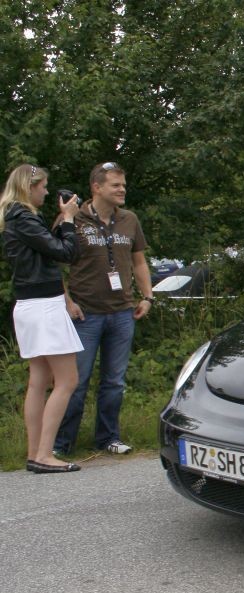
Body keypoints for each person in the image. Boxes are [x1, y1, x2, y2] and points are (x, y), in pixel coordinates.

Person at [54, 161, 154, 456]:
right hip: (85, 313)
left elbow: (139, 261)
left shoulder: (129, 219)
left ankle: (108, 437)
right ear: (96, 187)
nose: (122, 190)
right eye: (116, 185)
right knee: (76, 381)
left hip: (122, 312)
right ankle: (62, 444)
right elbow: (52, 265)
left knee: (114, 381)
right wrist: (67, 301)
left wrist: (147, 297)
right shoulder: (72, 218)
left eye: (124, 185)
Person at [1, 164, 83, 473]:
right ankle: (45, 454)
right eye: (43, 186)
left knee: (39, 381)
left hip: (29, 304)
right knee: (67, 380)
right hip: (45, 306)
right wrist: (70, 220)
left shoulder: (15, 219)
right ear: (29, 187)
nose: (47, 192)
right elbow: (66, 253)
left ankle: (35, 451)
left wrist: (62, 223)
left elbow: (48, 250)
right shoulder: (24, 218)